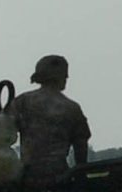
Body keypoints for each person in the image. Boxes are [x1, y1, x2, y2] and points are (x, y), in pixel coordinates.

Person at [8, 54, 92, 184]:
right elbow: (81, 146)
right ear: (62, 77)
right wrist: (82, 177)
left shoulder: (22, 102)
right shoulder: (72, 108)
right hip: (59, 176)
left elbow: (5, 132)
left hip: (28, 176)